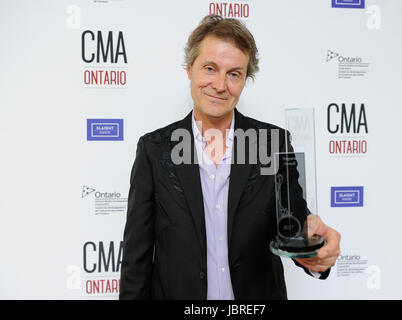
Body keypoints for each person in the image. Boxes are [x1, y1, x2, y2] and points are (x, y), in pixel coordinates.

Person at [119, 14, 341, 300]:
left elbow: (294, 227)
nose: (220, 85)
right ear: (190, 69)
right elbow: (136, 255)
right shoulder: (154, 148)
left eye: (234, 74)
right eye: (210, 68)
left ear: (245, 79)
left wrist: (316, 251)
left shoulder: (271, 144)